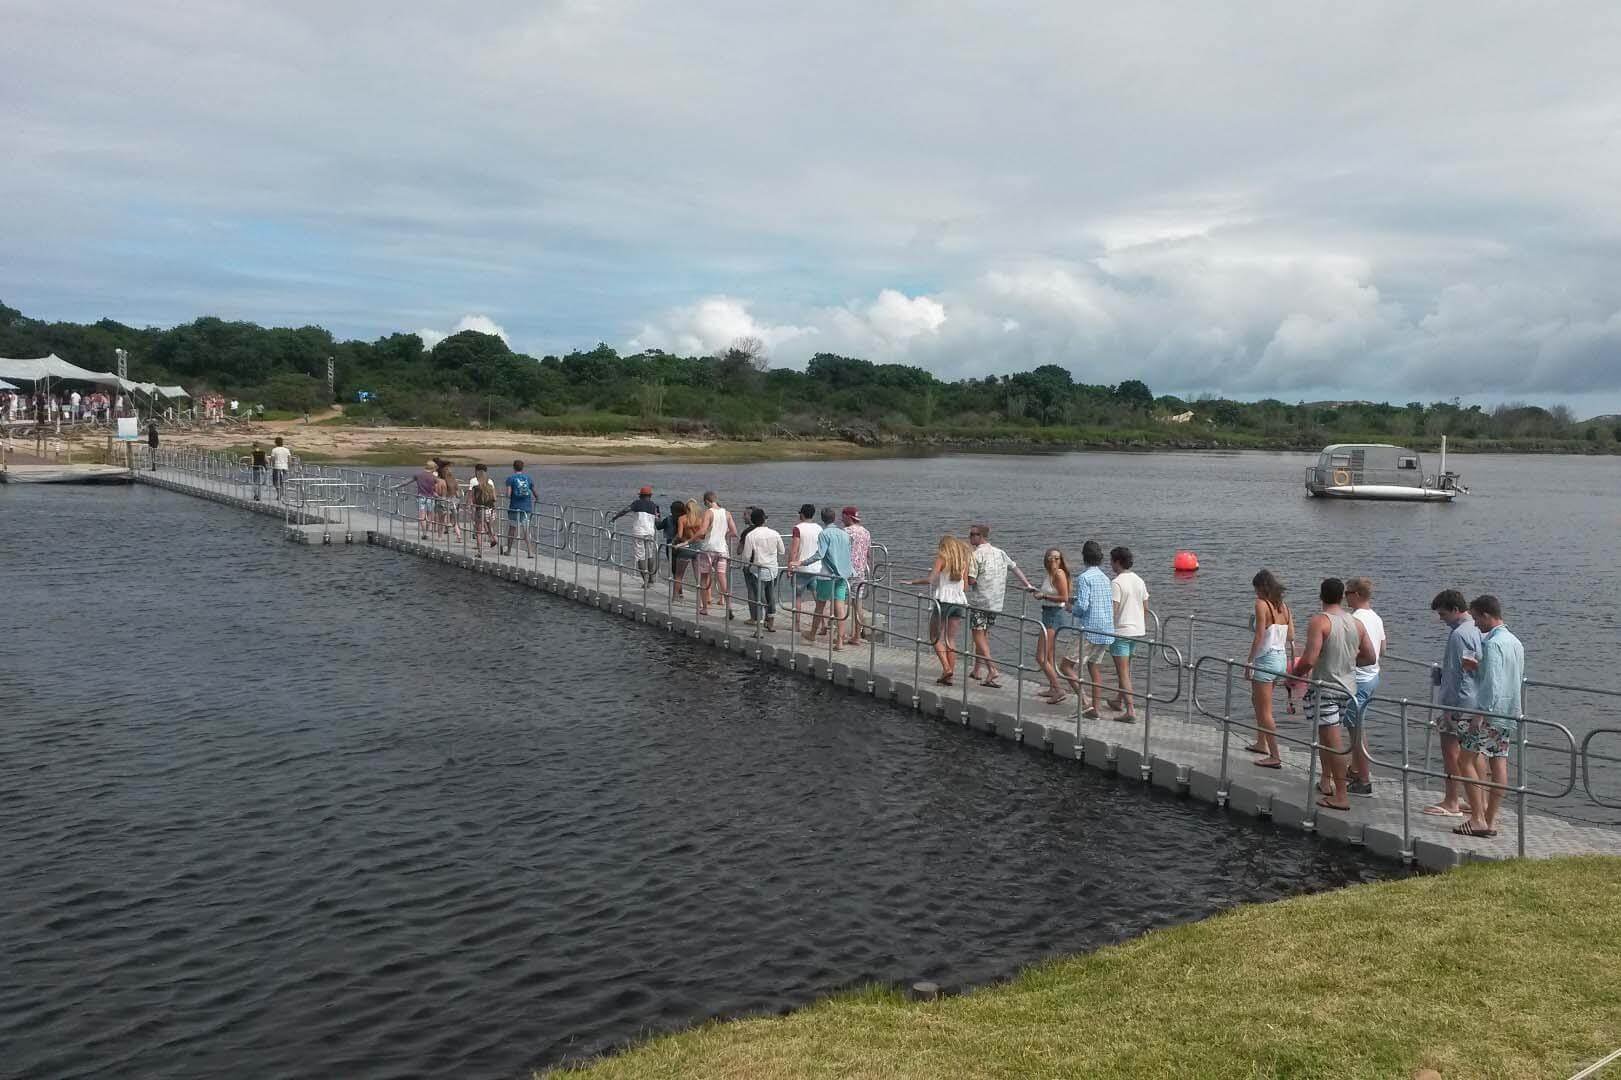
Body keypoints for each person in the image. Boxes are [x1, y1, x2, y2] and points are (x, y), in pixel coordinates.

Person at [1293, 577, 1377, 811]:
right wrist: (1348, 659)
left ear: (1321, 596)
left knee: (1332, 742)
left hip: (1326, 687)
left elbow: (1309, 659)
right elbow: (1370, 657)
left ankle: (1341, 795)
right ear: (1342, 596)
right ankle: (1326, 782)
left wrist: (1293, 677)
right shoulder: (1355, 623)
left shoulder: (1320, 621)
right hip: (1348, 689)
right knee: (1329, 738)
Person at [1456, 595, 1525, 839]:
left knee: (1464, 761)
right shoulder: (1515, 642)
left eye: (1476, 618)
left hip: (1489, 713)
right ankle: (1491, 819)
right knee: (1499, 761)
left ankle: (1477, 818)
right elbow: (1509, 678)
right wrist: (1479, 667)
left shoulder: (1493, 644)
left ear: (1486, 615)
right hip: (1509, 713)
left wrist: (1479, 713)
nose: (1475, 624)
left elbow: (1492, 685)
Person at [1423, 589, 1483, 818]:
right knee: (1475, 754)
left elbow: (1462, 675)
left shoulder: (1460, 634)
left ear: (1456, 610)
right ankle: (1478, 800)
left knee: (1451, 751)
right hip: (1476, 701)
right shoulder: (1479, 629)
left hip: (1459, 703)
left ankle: (1451, 800)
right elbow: (1473, 667)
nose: (1441, 619)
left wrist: (1449, 707)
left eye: (1443, 614)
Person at [965, 524, 1036, 689]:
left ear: (980, 536)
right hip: (996, 602)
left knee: (977, 635)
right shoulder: (1000, 552)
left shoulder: (975, 555)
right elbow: (1015, 568)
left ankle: (992, 669)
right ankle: (977, 669)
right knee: (984, 634)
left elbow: (971, 581)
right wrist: (1027, 584)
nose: (970, 538)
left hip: (980, 601)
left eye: (972, 535)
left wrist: (963, 573)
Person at [1245, 570, 1294, 769]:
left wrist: (1249, 662)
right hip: (1280, 659)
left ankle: (1274, 755)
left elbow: (1258, 636)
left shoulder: (1261, 605)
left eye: (1256, 589)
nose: (1255, 593)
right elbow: (1291, 636)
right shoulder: (1285, 607)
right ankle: (1261, 742)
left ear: (1260, 588)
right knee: (1257, 700)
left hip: (1265, 659)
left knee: (1265, 711)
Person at [1061, 540, 1116, 720]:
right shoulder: (1105, 578)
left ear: (1084, 557)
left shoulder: (1084, 578)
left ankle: (1085, 702)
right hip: (1106, 629)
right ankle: (1096, 708)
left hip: (1090, 630)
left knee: (1066, 666)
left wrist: (1071, 608)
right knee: (1094, 668)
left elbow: (1083, 606)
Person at [908, 534, 971, 685]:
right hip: (959, 601)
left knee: (934, 636)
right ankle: (949, 675)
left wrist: (912, 582)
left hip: (943, 601)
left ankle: (946, 668)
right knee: (951, 639)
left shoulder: (942, 558)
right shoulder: (963, 560)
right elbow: (966, 586)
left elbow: (931, 579)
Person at [1344, 577, 1386, 797]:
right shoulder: (1376, 618)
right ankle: (1356, 768)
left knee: (1355, 729)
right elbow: (1383, 648)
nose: (1345, 597)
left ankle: (1364, 779)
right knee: (1357, 725)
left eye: (1347, 593)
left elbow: (1352, 651)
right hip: (1373, 677)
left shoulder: (1354, 619)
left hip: (1358, 679)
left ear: (1357, 595)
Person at [793, 506, 853, 648]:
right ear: (835, 518)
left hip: (827, 575)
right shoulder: (844, 534)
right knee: (840, 606)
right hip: (843, 575)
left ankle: (812, 634)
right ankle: (839, 641)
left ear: (822, 519)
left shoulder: (824, 534)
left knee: (820, 605)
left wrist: (801, 562)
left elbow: (820, 554)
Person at [1106, 546, 1149, 719]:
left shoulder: (1116, 583)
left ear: (1117, 562)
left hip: (1121, 632)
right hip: (1137, 631)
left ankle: (1130, 710)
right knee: (1126, 669)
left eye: (1111, 561)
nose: (1110, 564)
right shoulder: (1139, 580)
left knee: (1122, 672)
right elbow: (1145, 607)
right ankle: (1118, 699)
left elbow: (1113, 610)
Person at [1035, 549, 1073, 704]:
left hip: (1053, 615)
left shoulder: (1059, 574)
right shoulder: (1050, 574)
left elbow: (1064, 598)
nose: (1054, 561)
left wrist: (1043, 596)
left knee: (1040, 656)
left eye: (1057, 558)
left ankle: (1059, 689)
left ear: (1061, 559)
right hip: (1047, 613)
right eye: (1051, 558)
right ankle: (1052, 687)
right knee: (1049, 655)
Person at [694, 491, 739, 618]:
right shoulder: (727, 513)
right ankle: (729, 606)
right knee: (722, 577)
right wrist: (723, 535)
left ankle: (704, 608)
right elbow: (734, 532)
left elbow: (702, 531)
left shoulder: (708, 512)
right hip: (722, 549)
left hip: (709, 548)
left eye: (705, 503)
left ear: (707, 501)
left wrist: (692, 538)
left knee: (703, 577)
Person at [738, 507, 784, 631]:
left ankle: (759, 629)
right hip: (773, 570)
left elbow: (747, 556)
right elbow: (782, 551)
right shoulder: (775, 533)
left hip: (757, 571)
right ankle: (771, 622)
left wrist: (746, 566)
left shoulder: (751, 535)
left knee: (758, 598)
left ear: (752, 520)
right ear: (764, 520)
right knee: (771, 596)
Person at [612, 485, 663, 587]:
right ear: (650, 495)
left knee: (640, 556)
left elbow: (625, 510)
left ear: (640, 496)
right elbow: (658, 521)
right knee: (650, 554)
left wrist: (615, 517)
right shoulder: (655, 506)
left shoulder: (636, 503)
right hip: (650, 532)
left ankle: (645, 581)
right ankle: (651, 579)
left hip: (638, 532)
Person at [785, 504, 823, 633]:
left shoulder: (798, 528)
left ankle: (796, 625)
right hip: (817, 568)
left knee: (798, 597)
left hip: (800, 568)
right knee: (819, 598)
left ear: (801, 514)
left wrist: (790, 566)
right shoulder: (819, 528)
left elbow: (794, 550)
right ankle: (823, 625)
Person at [840, 508, 873, 646]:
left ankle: (839, 636)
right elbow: (868, 553)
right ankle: (857, 636)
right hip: (860, 572)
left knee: (840, 602)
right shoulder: (866, 532)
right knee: (858, 604)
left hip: (846, 571)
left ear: (848, 517)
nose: (841, 520)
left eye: (843, 517)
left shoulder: (845, 532)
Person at [502, 460, 537, 557]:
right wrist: (537, 499)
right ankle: (530, 552)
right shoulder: (528, 478)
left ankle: (508, 550)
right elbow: (535, 493)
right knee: (526, 530)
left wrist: (507, 495)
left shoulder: (510, 478)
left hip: (515, 507)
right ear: (522, 467)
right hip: (526, 508)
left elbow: (508, 494)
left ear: (513, 467)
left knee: (512, 529)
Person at [659, 500, 689, 597]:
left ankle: (678, 592)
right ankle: (679, 591)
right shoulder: (686, 519)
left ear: (672, 510)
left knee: (674, 570)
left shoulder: (668, 519)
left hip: (671, 546)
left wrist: (657, 517)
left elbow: (658, 527)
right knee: (680, 571)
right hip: (684, 546)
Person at [470, 464, 498, 554]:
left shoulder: (475, 487)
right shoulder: (490, 485)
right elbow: (495, 498)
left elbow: (473, 500)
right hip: (491, 510)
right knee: (490, 527)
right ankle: (495, 540)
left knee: (478, 532)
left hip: (481, 510)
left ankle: (480, 552)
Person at [407, 459, 438, 538]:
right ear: (433, 468)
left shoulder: (418, 474)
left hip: (421, 497)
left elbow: (407, 481)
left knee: (422, 516)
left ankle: (424, 533)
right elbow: (436, 488)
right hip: (430, 498)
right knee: (430, 515)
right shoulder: (434, 477)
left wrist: (397, 486)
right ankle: (427, 531)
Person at [436, 463, 464, 543]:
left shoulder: (441, 481)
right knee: (453, 521)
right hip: (454, 501)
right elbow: (458, 493)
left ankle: (440, 537)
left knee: (441, 521)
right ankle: (459, 536)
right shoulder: (454, 480)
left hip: (444, 502)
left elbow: (440, 493)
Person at [268, 436, 291, 501]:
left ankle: (279, 494)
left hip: (277, 467)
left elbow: (272, 459)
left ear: (276, 443)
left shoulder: (274, 450)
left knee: (276, 482)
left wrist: (271, 465)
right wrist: (288, 467)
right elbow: (289, 460)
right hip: (285, 467)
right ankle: (282, 492)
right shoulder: (287, 450)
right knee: (283, 481)